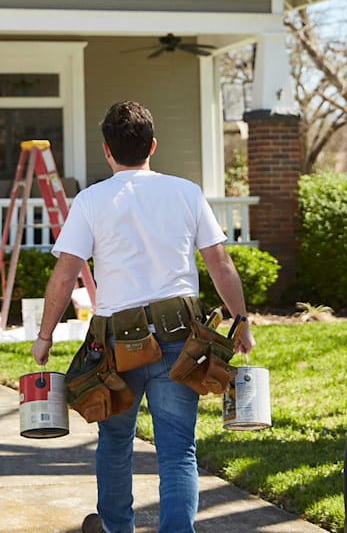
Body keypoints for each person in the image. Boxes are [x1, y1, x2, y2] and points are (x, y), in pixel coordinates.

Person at [29, 100, 256, 533]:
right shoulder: (185, 191)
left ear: (107, 151)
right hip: (181, 341)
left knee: (115, 442)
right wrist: (240, 320)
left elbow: (65, 274)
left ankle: (117, 528)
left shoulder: (91, 201)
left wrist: (44, 336)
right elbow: (220, 264)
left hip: (116, 347)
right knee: (177, 451)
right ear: (152, 145)